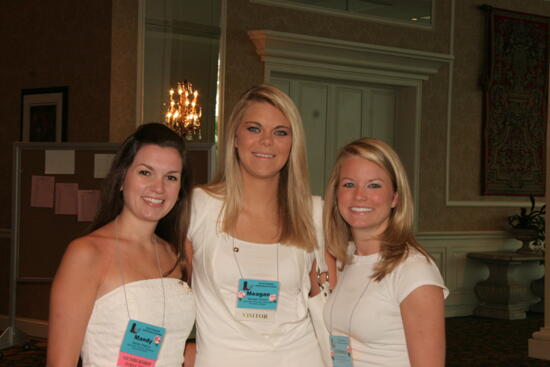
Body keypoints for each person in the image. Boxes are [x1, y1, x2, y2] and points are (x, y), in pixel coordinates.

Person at [185, 84, 326, 367]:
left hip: (300, 358)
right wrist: (179, 348)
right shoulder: (199, 206)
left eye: (280, 132)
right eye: (254, 129)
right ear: (235, 137)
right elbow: (168, 290)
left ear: (292, 143)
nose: (267, 141)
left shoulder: (314, 212)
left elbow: (331, 304)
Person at [47, 123, 195, 367]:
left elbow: (175, 348)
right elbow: (60, 363)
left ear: (180, 190)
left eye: (170, 177)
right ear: (121, 178)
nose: (158, 188)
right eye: (145, 172)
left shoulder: (179, 253)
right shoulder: (87, 254)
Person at [323, 137, 448, 367]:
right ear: (336, 193)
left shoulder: (414, 271)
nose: (359, 195)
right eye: (349, 184)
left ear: (395, 197)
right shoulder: (344, 259)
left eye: (374, 185)